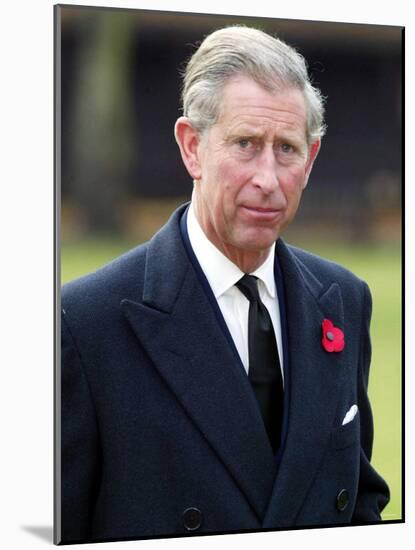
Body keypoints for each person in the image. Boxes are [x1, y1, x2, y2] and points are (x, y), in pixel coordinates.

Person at [60, 25, 390, 544]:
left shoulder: (344, 300)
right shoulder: (83, 323)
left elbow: (360, 500)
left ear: (312, 159)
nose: (268, 177)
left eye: (286, 148)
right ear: (192, 147)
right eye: (245, 144)